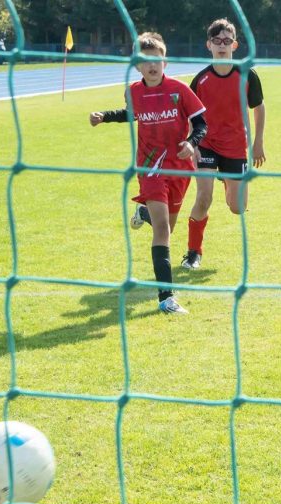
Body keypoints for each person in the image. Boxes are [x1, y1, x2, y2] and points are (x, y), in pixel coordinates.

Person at [89, 32, 206, 314]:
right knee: (163, 230)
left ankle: (143, 214)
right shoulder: (134, 91)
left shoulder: (180, 90)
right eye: (145, 61)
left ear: (165, 62)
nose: (152, 66)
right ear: (137, 65)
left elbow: (201, 125)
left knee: (168, 226)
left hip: (179, 168)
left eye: (157, 60)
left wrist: (191, 144)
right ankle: (166, 298)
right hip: (150, 166)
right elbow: (132, 113)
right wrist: (105, 116)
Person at [183, 18, 266, 271]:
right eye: (217, 41)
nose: (222, 45)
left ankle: (226, 180)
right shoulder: (200, 80)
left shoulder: (247, 75)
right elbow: (190, 116)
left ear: (235, 45)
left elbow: (259, 108)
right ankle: (193, 252)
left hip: (235, 148)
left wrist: (258, 143)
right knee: (203, 199)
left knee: (238, 208)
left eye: (227, 41)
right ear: (209, 45)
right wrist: (192, 145)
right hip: (206, 145)